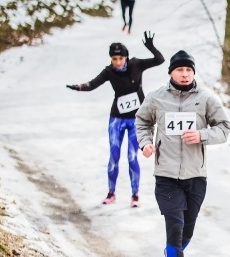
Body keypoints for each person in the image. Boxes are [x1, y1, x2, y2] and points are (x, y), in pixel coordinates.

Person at [135, 50, 230, 257]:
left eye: (189, 70)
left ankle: (172, 254)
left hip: (196, 176)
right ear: (171, 73)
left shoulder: (206, 99)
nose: (185, 74)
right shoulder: (156, 98)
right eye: (180, 70)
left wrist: (201, 135)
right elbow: (141, 121)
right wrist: (145, 143)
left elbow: (224, 129)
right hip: (166, 176)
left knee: (187, 230)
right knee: (175, 227)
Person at [66, 33, 164, 206]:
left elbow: (159, 60)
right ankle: (111, 193)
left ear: (125, 57)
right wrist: (79, 87)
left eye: (120, 58)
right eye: (114, 58)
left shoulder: (136, 64)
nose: (117, 62)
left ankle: (135, 195)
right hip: (117, 119)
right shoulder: (109, 71)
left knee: (132, 156)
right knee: (114, 156)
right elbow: (93, 84)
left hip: (136, 120)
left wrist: (151, 47)